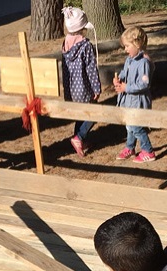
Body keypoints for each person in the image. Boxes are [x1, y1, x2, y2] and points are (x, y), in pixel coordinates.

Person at [61, 6, 101, 157]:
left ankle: (79, 140)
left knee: (80, 113)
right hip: (84, 88)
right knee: (94, 112)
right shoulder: (86, 46)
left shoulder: (65, 44)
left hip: (71, 88)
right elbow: (91, 68)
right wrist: (96, 88)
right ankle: (79, 137)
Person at [113, 27, 156, 163]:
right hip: (128, 100)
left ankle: (148, 151)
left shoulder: (144, 62)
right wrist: (119, 79)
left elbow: (144, 84)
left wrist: (127, 87)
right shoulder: (129, 60)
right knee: (129, 125)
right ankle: (130, 147)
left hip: (138, 101)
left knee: (136, 126)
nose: (125, 49)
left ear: (137, 44)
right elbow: (125, 73)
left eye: (127, 46)